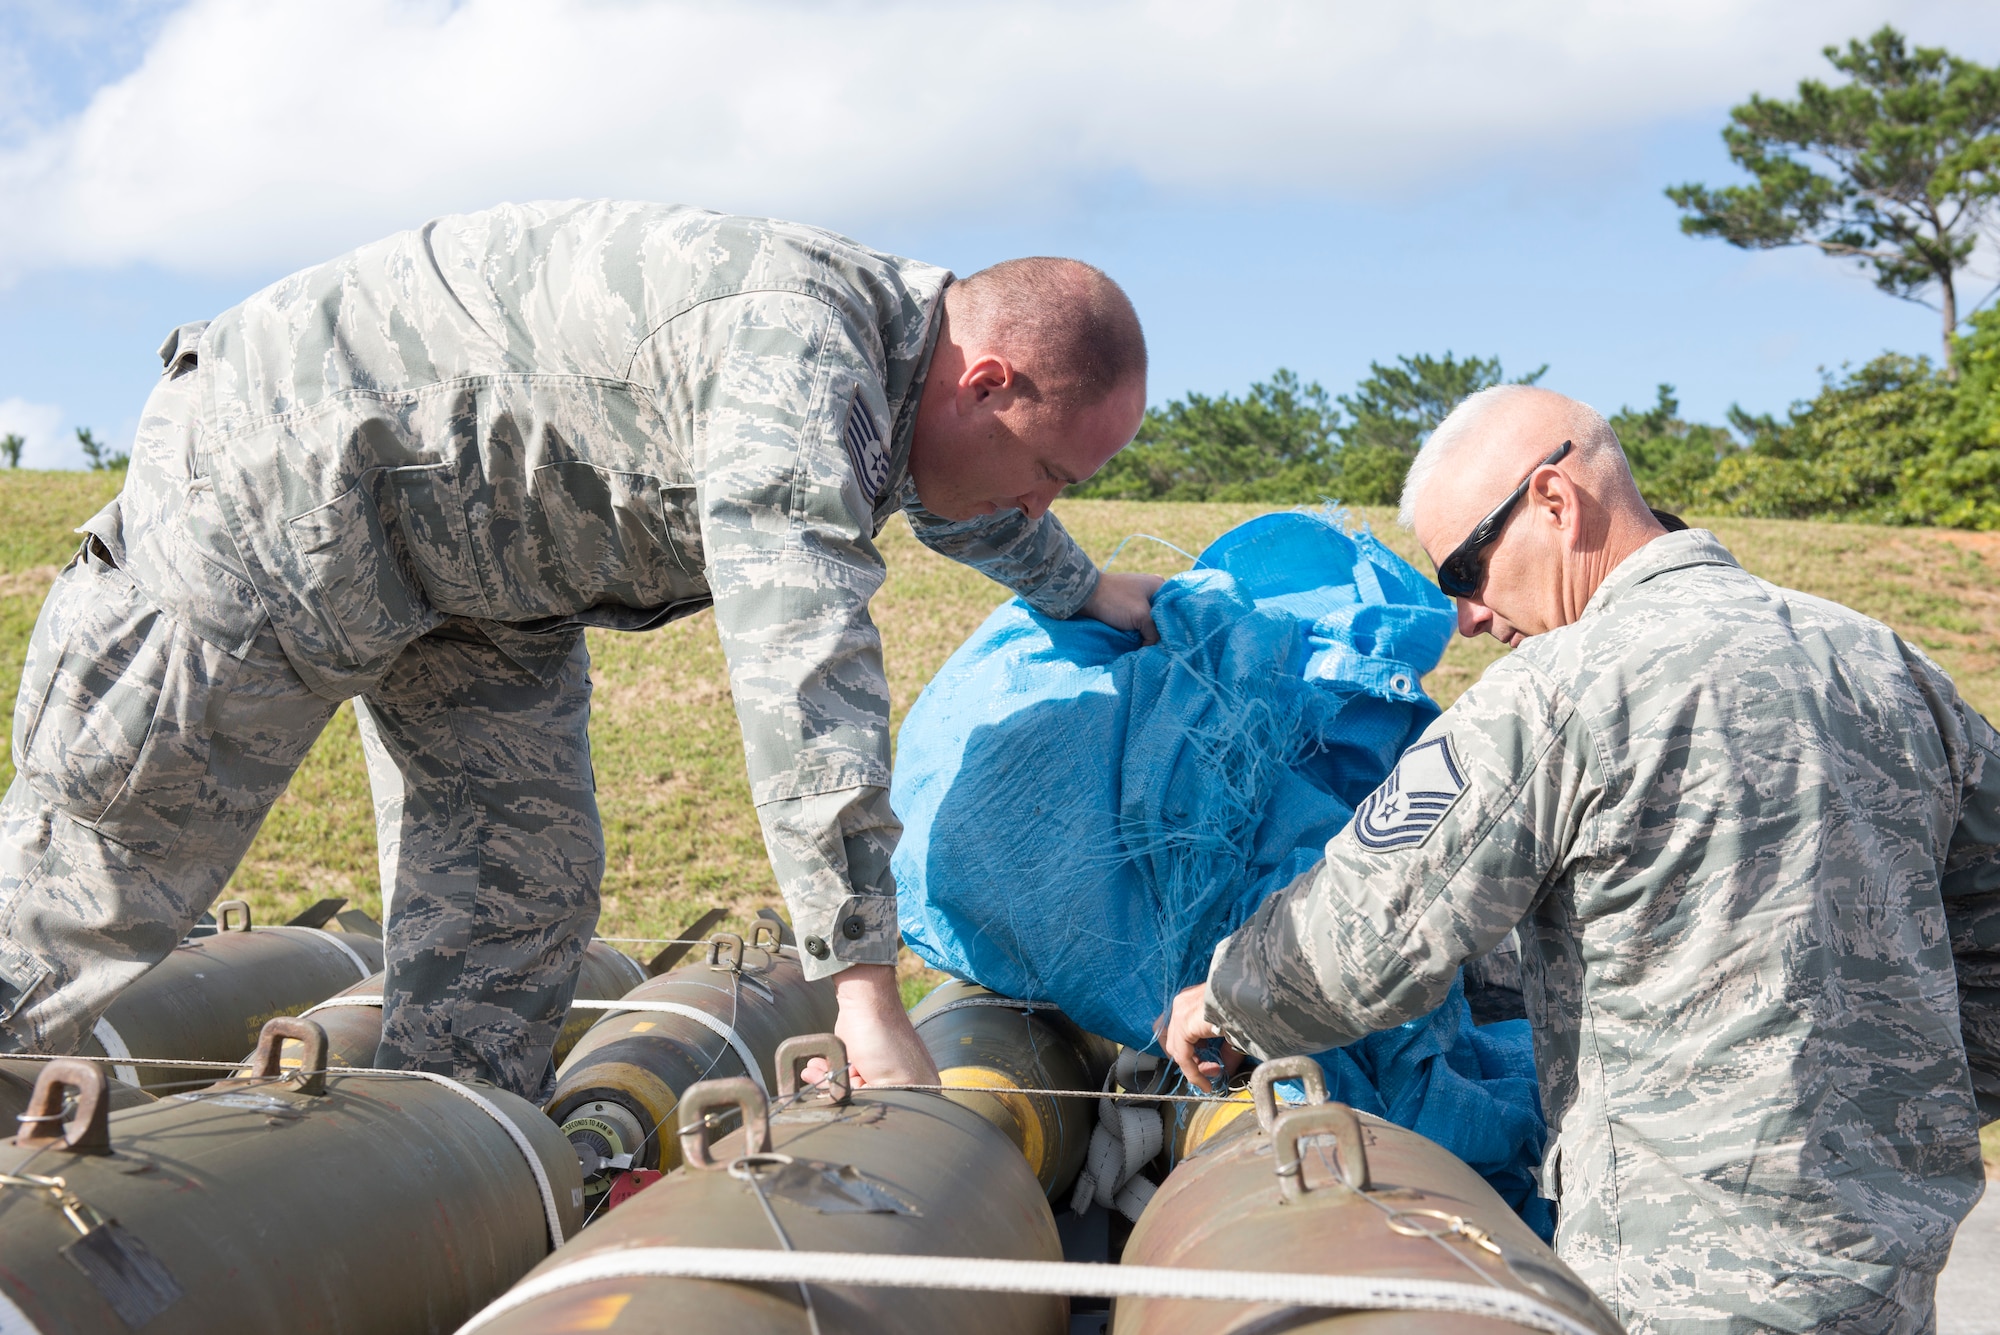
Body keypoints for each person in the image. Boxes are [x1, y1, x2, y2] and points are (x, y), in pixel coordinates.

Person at [0, 200, 1163, 1100]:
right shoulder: (804, 359)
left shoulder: (903, 376)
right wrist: (863, 994)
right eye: (1051, 477)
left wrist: (1083, 588)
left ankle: (430, 1183)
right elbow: (803, 668)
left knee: (515, 897)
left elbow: (966, 496)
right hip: (274, 489)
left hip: (479, 581)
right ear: (987, 381)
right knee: (94, 881)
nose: (1033, 510)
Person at [1162, 384, 1999, 1333]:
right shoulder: (1888, 664)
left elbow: (1364, 930)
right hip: (1886, 1272)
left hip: (1682, 1281)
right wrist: (1876, 1121)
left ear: (1554, 500)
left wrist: (1226, 1001)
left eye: (1465, 570)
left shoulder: (1559, 692)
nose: (1469, 617)